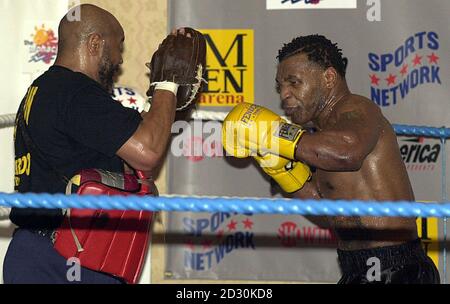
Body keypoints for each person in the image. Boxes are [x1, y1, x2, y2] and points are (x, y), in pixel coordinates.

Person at [222, 34, 440, 284]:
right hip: (355, 267)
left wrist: (274, 134)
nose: (284, 94)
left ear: (328, 78)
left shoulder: (358, 109)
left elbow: (348, 152)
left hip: (397, 268)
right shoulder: (321, 139)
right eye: (280, 86)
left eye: (294, 82)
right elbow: (327, 209)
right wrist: (284, 171)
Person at [6, 4, 186, 284]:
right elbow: (147, 153)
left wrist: (158, 104)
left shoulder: (48, 89)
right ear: (94, 43)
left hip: (43, 251)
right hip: (67, 258)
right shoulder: (77, 93)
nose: (119, 60)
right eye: (118, 46)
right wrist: (168, 84)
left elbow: (125, 154)